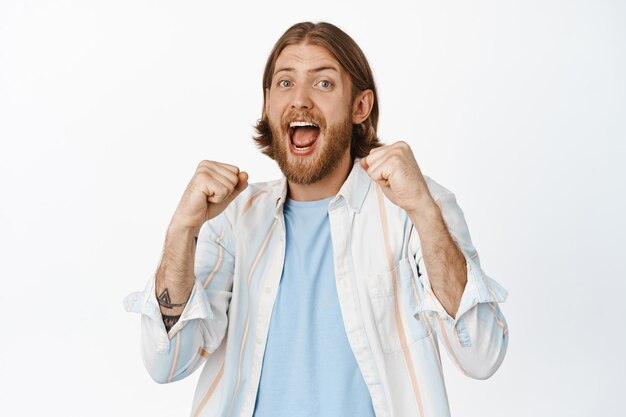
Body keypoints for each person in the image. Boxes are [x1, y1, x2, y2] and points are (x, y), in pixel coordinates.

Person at [124, 21, 508, 417]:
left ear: (360, 107)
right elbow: (167, 362)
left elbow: (480, 355)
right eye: (285, 83)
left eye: (323, 84)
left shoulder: (413, 209)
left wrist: (425, 212)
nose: (300, 100)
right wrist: (181, 230)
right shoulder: (232, 219)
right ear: (268, 103)